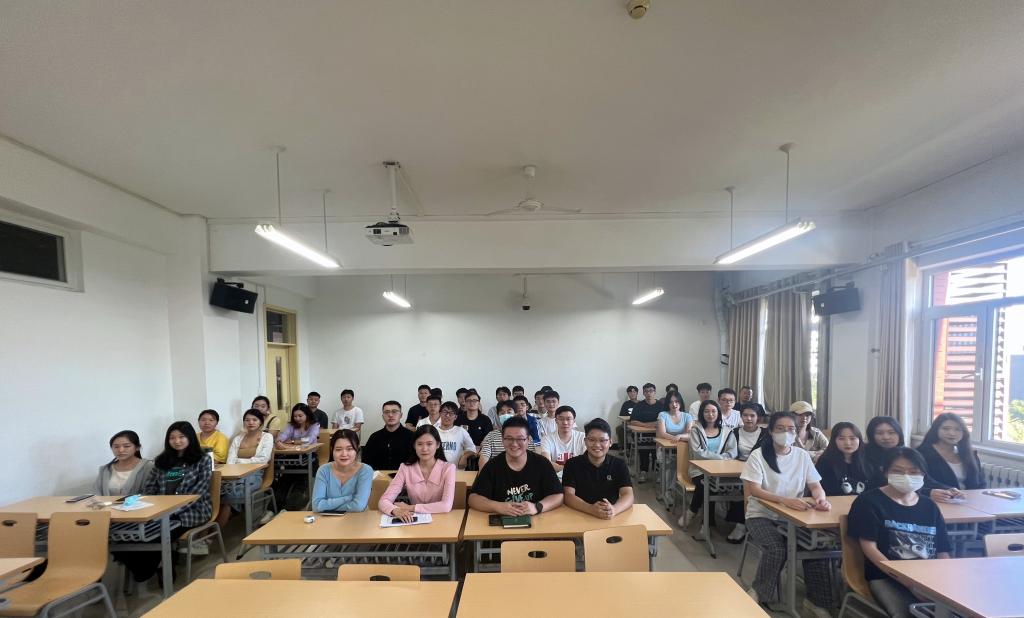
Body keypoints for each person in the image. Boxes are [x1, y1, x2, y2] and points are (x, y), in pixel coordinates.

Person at [740, 411, 831, 614]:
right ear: (771, 431)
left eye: (790, 429)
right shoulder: (758, 455)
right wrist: (784, 500)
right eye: (780, 429)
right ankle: (758, 592)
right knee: (777, 548)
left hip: (793, 517)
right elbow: (755, 490)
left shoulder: (802, 456)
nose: (785, 433)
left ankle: (817, 601)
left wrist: (820, 498)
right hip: (761, 514)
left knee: (817, 547)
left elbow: (815, 485)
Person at [848, 447, 951, 618]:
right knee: (912, 614)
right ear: (885, 471)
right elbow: (869, 548)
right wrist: (909, 583)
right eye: (898, 471)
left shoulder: (929, 506)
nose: (906, 476)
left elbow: (943, 551)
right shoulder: (868, 502)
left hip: (927, 576)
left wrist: (943, 581)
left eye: (913, 472)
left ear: (923, 474)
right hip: (887, 576)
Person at [117, 422, 212, 581]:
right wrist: (148, 507)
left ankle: (152, 568)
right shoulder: (162, 460)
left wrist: (170, 511)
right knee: (121, 537)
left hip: (192, 510)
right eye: (172, 438)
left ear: (190, 437)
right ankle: (157, 565)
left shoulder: (202, 460)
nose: (177, 441)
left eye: (181, 437)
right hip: (160, 511)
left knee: (157, 534)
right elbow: (150, 487)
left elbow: (199, 492)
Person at [468, 416, 564, 516]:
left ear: (528, 440)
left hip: (538, 519)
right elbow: (473, 499)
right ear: (502, 440)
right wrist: (497, 506)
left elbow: (558, 496)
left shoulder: (542, 464)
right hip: (502, 520)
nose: (514, 444)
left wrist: (537, 507)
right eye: (509, 438)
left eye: (520, 439)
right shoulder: (492, 466)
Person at [864, 416, 961, 502]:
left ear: (899, 434)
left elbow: (926, 479)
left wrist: (947, 489)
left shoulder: (908, 454)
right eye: (879, 433)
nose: (886, 437)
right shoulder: (864, 456)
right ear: (871, 435)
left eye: (891, 432)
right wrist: (928, 493)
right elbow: (881, 486)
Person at [681, 400, 739, 539]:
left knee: (715, 485)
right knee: (706, 485)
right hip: (698, 470)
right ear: (702, 413)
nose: (710, 414)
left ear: (718, 413)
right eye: (706, 411)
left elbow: (732, 452)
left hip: (721, 471)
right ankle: (705, 525)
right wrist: (721, 458)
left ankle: (694, 511)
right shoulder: (696, 430)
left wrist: (722, 459)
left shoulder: (727, 431)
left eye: (713, 411)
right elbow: (697, 452)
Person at [379, 425, 457, 519]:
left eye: (429, 444)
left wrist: (411, 508)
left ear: (437, 445)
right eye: (419, 444)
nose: (424, 449)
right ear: (414, 446)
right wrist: (395, 510)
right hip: (415, 520)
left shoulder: (448, 468)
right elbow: (384, 501)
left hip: (442, 519)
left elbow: (446, 506)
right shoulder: (405, 468)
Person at [563, 418, 634, 519]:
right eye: (592, 440)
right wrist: (590, 509)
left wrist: (614, 510)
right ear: (585, 441)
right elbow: (568, 495)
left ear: (610, 442)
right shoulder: (572, 464)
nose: (597, 445)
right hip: (580, 515)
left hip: (609, 517)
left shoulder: (619, 464)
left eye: (602, 440)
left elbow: (628, 494)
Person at [219, 409, 276, 528]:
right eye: (247, 420)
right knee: (217, 492)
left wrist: (239, 461)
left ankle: (215, 534)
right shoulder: (238, 438)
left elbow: (263, 459)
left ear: (260, 422)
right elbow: (230, 460)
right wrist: (238, 465)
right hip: (235, 474)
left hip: (255, 474)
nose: (250, 422)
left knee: (229, 496)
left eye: (254, 420)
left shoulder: (267, 437)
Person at [724, 405, 769, 543]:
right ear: (741, 417)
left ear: (758, 418)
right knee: (741, 489)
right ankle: (740, 525)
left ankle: (758, 524)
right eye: (745, 415)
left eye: (752, 416)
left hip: (760, 471)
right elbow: (729, 453)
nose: (748, 419)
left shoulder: (766, 433)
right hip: (737, 470)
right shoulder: (734, 432)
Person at [917, 412, 986, 490]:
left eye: (957, 429)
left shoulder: (970, 455)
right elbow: (923, 483)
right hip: (940, 496)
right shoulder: (922, 454)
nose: (952, 433)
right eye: (946, 429)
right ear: (936, 430)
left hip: (970, 496)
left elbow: (981, 482)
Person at [312, 429, 373, 513]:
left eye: (349, 449)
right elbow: (316, 506)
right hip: (327, 519)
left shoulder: (365, 470)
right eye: (338, 449)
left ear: (357, 450)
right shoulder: (323, 470)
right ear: (332, 450)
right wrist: (347, 498)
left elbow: (358, 507)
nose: (344, 454)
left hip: (358, 518)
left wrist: (326, 506)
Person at [274, 403, 321, 508]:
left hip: (309, 457)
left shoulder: (314, 425)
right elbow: (283, 435)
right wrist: (278, 441)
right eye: (295, 416)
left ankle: (291, 508)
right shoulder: (291, 425)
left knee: (301, 483)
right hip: (293, 456)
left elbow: (310, 439)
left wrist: (292, 441)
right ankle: (275, 508)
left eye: (300, 416)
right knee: (284, 481)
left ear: (307, 415)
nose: (297, 418)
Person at [816, 421, 870, 497]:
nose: (847, 443)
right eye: (841, 439)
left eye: (852, 438)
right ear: (834, 441)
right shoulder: (825, 462)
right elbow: (823, 490)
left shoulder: (868, 459)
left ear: (859, 440)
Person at [479, 400, 540, 467]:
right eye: (502, 413)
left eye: (509, 412)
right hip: (497, 471)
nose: (505, 415)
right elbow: (483, 458)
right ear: (498, 415)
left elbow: (532, 458)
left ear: (515, 414)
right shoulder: (491, 436)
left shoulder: (525, 435)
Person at [94, 430, 154, 496]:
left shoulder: (149, 467)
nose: (121, 450)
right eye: (116, 447)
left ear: (137, 447)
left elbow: (152, 493)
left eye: (126, 446)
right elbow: (97, 494)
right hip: (106, 503)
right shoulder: (105, 469)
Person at [362, 400, 414, 471]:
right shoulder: (374, 437)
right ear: (383, 416)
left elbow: (415, 460)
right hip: (379, 476)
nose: (390, 415)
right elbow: (366, 461)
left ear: (401, 415)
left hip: (405, 475)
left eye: (394, 411)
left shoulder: (411, 436)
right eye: (386, 412)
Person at [539, 405, 587, 477]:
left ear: (574, 421)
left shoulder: (583, 437)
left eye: (568, 419)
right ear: (556, 421)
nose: (565, 422)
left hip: (579, 477)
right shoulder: (547, 439)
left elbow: (587, 461)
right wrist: (571, 470)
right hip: (555, 478)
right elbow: (546, 462)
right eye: (561, 419)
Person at [437, 401, 478, 468]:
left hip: (456, 470)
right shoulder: (433, 431)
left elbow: (472, 449)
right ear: (440, 414)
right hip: (437, 470)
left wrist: (465, 456)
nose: (447, 415)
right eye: (444, 412)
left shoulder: (461, 431)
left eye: (451, 413)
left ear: (455, 417)